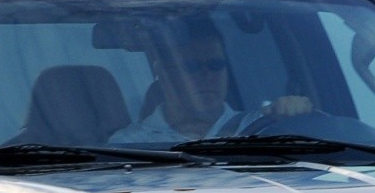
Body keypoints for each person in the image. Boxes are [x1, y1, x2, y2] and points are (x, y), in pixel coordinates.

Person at [110, 15, 311, 144]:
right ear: (162, 74)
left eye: (216, 65)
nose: (207, 76)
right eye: (192, 67)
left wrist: (302, 113)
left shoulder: (269, 127)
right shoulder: (129, 143)